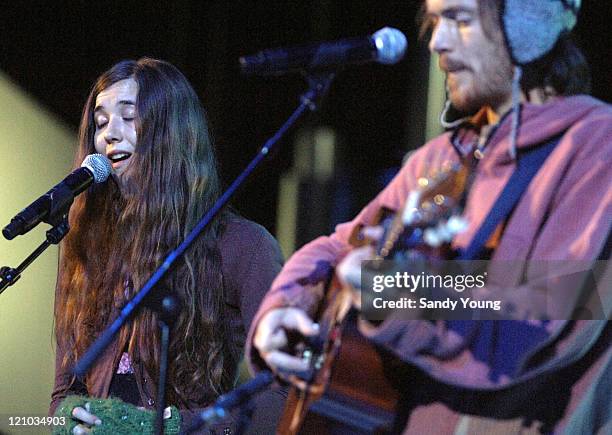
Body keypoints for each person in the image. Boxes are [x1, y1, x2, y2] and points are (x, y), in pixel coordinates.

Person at [249, 0, 611, 433]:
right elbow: (340, 245)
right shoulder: (442, 158)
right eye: (436, 21)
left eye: (459, 19)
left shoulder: (594, 144)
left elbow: (550, 304)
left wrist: (395, 290)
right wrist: (284, 304)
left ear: (526, 28)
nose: (437, 41)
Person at [49, 58, 285, 434]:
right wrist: (68, 420)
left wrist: (171, 428)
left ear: (171, 133)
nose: (110, 133)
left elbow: (281, 396)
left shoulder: (243, 246)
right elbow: (64, 392)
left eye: (129, 116)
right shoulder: (87, 246)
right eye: (101, 122)